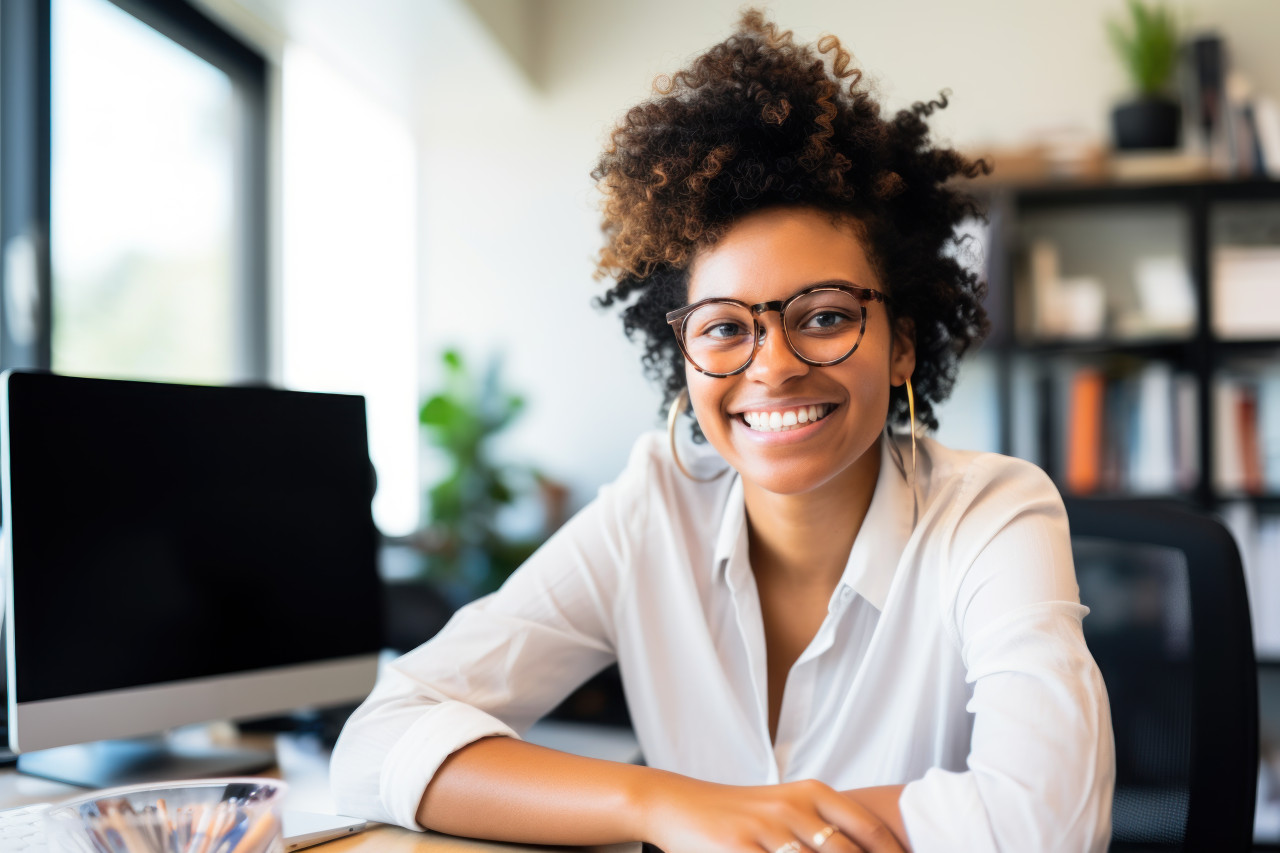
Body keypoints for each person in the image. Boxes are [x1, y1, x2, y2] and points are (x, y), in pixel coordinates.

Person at [331, 10, 1115, 853]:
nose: (772, 366)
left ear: (902, 347)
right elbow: (377, 742)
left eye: (824, 316)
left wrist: (759, 823)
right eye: (724, 327)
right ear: (683, 357)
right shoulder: (651, 512)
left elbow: (1049, 822)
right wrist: (664, 804)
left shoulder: (994, 513)